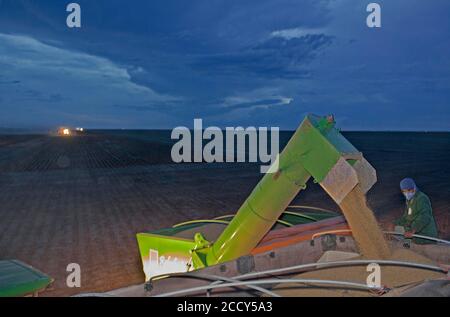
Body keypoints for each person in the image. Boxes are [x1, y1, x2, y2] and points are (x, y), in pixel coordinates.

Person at [394, 178, 438, 244]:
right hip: (415, 233)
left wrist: (413, 230)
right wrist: (395, 223)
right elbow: (406, 217)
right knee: (397, 229)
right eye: (404, 191)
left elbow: (424, 217)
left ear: (414, 188)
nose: (406, 193)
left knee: (404, 238)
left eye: (408, 190)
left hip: (425, 235)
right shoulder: (409, 200)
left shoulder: (422, 198)